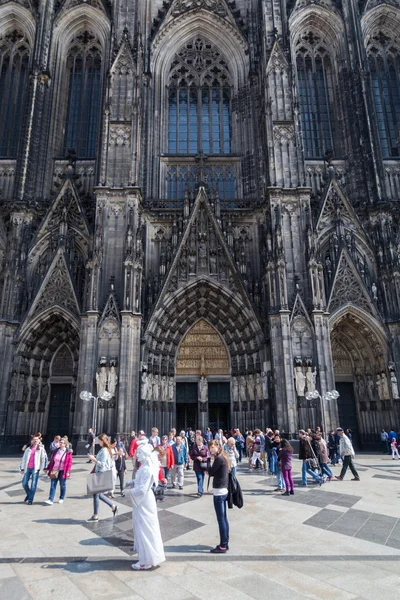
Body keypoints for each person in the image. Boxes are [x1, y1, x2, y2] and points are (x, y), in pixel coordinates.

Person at [127, 441, 166, 570]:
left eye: (139, 453)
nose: (136, 455)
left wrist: (129, 492)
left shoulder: (147, 468)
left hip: (144, 500)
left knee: (145, 528)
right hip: (143, 500)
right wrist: (132, 482)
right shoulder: (145, 466)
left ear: (145, 454)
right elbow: (141, 482)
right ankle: (146, 557)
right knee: (143, 527)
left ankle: (146, 560)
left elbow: (143, 489)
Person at [87, 433, 119, 521]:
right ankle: (113, 506)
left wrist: (94, 459)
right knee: (97, 494)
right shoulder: (104, 450)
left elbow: (103, 465)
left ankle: (95, 515)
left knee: (96, 494)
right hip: (99, 473)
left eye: (99, 440)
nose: (98, 442)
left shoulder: (104, 451)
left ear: (102, 441)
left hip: (101, 474)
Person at [208, 440, 230, 553]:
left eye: (213, 447)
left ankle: (223, 545)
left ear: (218, 447)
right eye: (210, 447)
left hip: (219, 492)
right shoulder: (223, 458)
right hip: (223, 490)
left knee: (221, 520)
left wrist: (207, 462)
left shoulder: (219, 459)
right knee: (224, 519)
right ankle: (225, 542)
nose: (211, 449)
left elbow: (211, 472)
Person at [21, 435, 48, 504]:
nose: (35, 441)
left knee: (33, 484)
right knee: (24, 483)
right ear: (31, 441)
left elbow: (44, 458)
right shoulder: (28, 449)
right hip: (28, 468)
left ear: (39, 440)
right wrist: (22, 468)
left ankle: (30, 500)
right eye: (34, 439)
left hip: (35, 469)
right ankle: (29, 494)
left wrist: (44, 467)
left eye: (37, 439)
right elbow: (24, 459)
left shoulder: (41, 449)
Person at [45, 438, 72, 504]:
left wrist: (68, 471)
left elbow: (69, 462)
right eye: (60, 442)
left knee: (62, 485)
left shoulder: (68, 452)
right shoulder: (55, 451)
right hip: (55, 470)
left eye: (62, 442)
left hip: (63, 470)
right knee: (53, 485)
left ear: (65, 444)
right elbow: (52, 461)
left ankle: (61, 498)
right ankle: (50, 499)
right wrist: (47, 468)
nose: (60, 443)